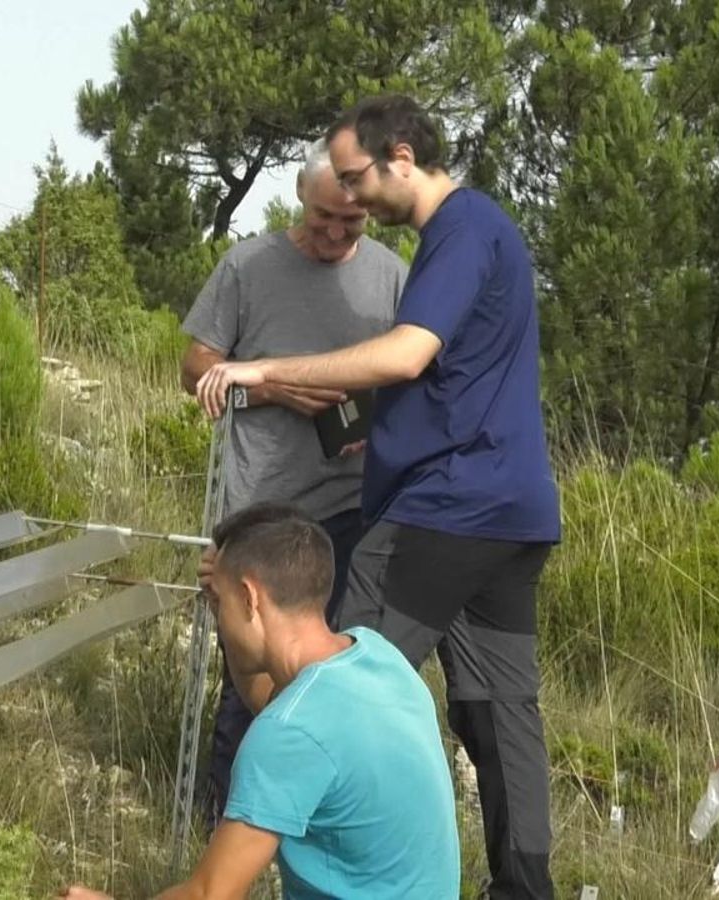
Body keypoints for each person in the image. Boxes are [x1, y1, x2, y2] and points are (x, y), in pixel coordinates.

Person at [195, 94, 562, 899]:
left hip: (444, 511)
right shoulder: (481, 233)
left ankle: (242, 873)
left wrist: (266, 369)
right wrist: (382, 429)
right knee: (501, 716)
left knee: (323, 679)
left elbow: (405, 354)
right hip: (514, 514)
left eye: (359, 179)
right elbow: (455, 379)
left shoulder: (459, 230)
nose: (353, 199)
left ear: (401, 156)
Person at [58, 503, 460, 900]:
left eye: (220, 602)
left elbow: (211, 895)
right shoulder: (375, 657)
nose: (217, 615)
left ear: (250, 597)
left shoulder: (290, 731)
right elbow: (272, 697)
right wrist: (225, 596)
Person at [178, 141, 405, 825]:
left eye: (352, 222)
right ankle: (226, 822)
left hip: (351, 510)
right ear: (298, 202)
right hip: (260, 512)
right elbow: (195, 368)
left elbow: (412, 375)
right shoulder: (247, 265)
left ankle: (314, 825)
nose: (335, 233)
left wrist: (378, 421)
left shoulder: (394, 279)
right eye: (322, 218)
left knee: (332, 679)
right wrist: (278, 388)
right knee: (248, 677)